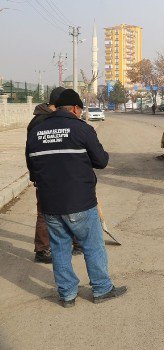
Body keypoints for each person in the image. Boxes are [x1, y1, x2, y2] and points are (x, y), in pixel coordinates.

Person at [25, 89, 127, 307]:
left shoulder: (36, 130)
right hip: (80, 201)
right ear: (74, 108)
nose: (80, 114)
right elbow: (101, 161)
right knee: (92, 245)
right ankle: (102, 288)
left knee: (60, 248)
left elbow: (32, 170)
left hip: (50, 204)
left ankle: (67, 295)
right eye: (79, 110)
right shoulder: (81, 128)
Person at [26, 86, 81, 263]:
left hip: (53, 173)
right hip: (50, 174)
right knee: (47, 212)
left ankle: (74, 242)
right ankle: (43, 250)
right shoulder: (42, 122)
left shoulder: (41, 120)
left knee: (64, 208)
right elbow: (31, 151)